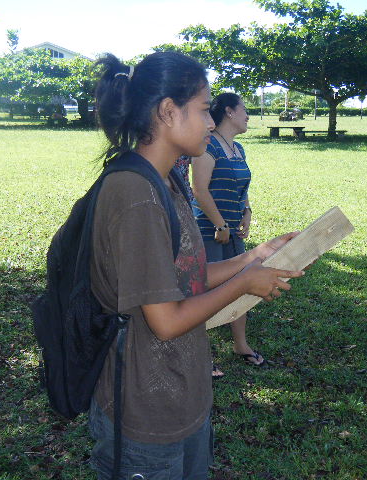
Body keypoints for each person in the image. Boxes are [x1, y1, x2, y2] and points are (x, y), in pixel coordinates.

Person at [88, 52, 304, 479]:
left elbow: (184, 277)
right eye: (205, 109)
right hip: (144, 410)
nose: (210, 122)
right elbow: (165, 320)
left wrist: (253, 257)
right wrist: (245, 284)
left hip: (183, 394)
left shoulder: (169, 181)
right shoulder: (135, 194)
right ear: (169, 111)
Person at [190, 92, 263, 376]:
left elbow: (242, 187)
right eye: (244, 109)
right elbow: (200, 189)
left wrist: (247, 212)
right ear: (230, 112)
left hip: (232, 231)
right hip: (210, 230)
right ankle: (202, 356)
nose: (248, 115)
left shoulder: (239, 148)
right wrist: (220, 224)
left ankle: (241, 345)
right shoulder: (209, 146)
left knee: (241, 285)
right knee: (204, 294)